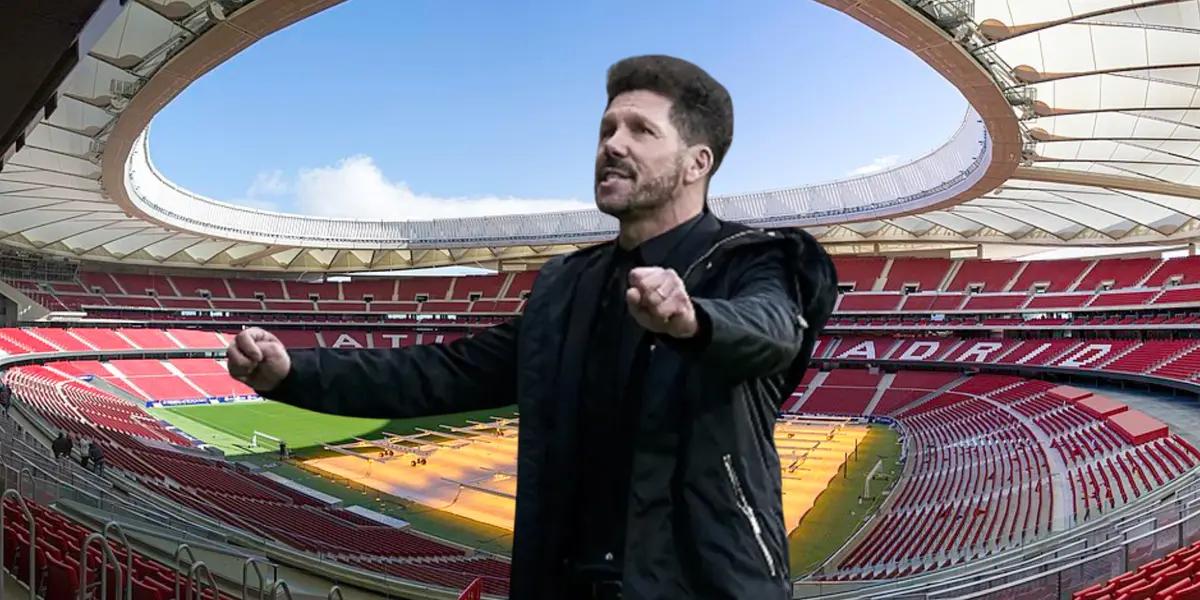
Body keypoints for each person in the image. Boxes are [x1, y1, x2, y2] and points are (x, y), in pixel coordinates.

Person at [228, 55, 836, 600]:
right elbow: (447, 372)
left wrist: (694, 318)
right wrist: (293, 371)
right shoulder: (566, 286)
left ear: (696, 163)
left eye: (641, 130)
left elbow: (771, 330)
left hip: (702, 584)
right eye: (606, 129)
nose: (612, 144)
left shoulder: (753, 259)